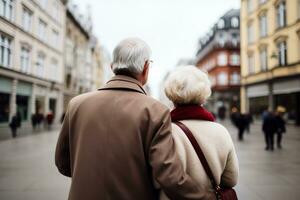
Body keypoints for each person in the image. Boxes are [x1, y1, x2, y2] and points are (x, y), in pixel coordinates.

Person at [55, 38, 205, 200]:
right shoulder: (156, 111)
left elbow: (63, 163)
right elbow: (169, 176)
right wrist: (207, 195)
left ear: (112, 67)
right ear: (146, 68)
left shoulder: (77, 104)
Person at [163, 66, 239, 200]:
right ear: (204, 97)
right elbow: (231, 179)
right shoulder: (221, 131)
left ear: (172, 97)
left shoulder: (165, 131)